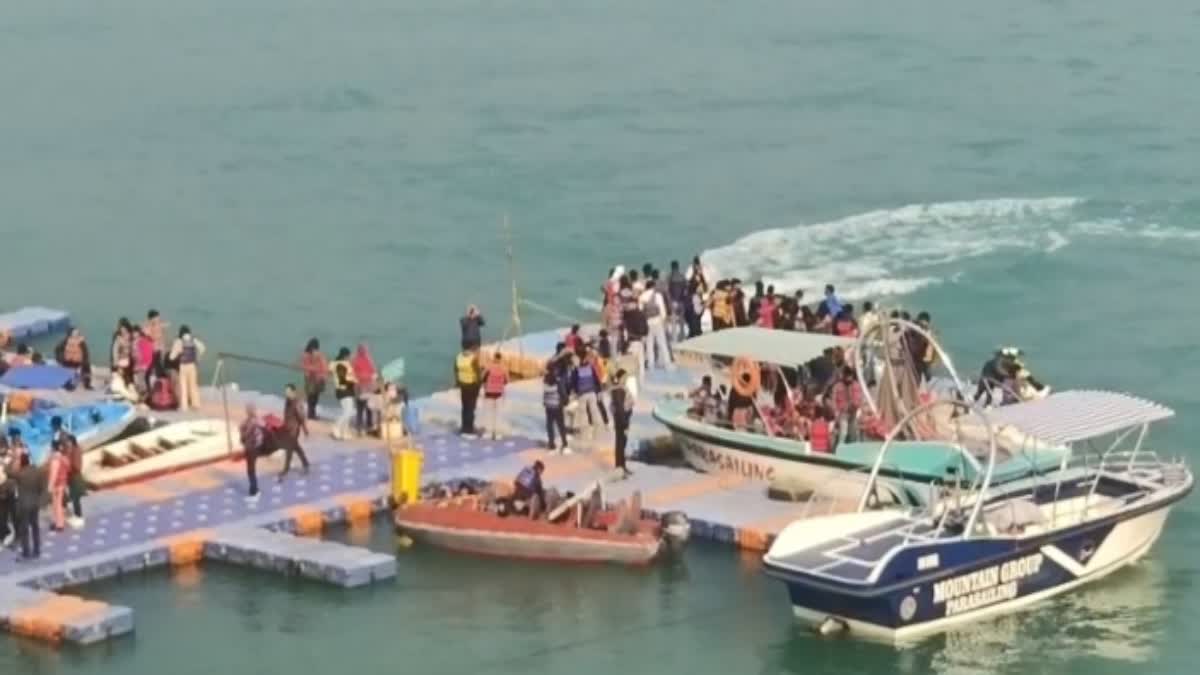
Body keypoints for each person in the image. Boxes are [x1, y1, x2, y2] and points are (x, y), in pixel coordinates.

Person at [13, 453, 44, 559]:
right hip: (35, 503)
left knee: (24, 529)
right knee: (35, 527)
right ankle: (37, 550)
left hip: (24, 505)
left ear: (21, 462)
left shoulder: (20, 474)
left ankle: (26, 551)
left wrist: (14, 462)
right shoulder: (36, 471)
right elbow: (41, 488)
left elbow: (8, 472)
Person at [168, 325, 206, 411]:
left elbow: (172, 357)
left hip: (183, 366)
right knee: (193, 385)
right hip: (192, 365)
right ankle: (196, 404)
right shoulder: (194, 340)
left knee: (183, 386)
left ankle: (184, 406)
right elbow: (203, 348)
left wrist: (174, 355)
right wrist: (198, 356)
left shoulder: (179, 341)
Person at [279, 384, 311, 480]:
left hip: (294, 430)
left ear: (293, 392)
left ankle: (286, 468)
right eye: (286, 391)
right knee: (296, 447)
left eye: (288, 391)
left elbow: (301, 418)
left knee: (289, 449)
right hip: (288, 428)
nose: (286, 393)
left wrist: (305, 430)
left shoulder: (297, 403)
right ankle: (306, 463)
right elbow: (287, 414)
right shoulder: (288, 401)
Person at [639, 278, 672, 370]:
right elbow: (663, 311)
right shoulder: (657, 296)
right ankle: (667, 364)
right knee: (662, 343)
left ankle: (651, 364)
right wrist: (663, 320)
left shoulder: (642, 296)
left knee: (649, 344)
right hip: (657, 321)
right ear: (653, 286)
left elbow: (640, 312)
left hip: (647, 322)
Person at [570, 352, 602, 440]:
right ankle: (597, 426)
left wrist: (575, 392)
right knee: (594, 410)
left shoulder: (576, 370)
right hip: (592, 392)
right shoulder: (591, 368)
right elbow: (596, 380)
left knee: (583, 412)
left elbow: (573, 383)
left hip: (582, 394)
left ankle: (585, 428)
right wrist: (598, 391)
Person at [610, 369, 634, 478]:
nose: (626, 379)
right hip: (621, 421)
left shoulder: (620, 389)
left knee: (622, 444)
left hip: (623, 419)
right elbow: (619, 408)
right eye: (624, 377)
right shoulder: (619, 390)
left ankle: (622, 466)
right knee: (620, 444)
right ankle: (620, 467)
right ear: (620, 378)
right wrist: (624, 423)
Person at [239, 403, 265, 502]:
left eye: (248, 410)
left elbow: (245, 433)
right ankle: (254, 490)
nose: (247, 412)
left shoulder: (252, 422)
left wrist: (243, 434)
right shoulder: (254, 421)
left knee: (251, 470)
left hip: (251, 448)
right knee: (251, 470)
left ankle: (254, 492)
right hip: (252, 447)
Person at [454, 346, 482, 436]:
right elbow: (477, 373)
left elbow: (456, 371)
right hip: (472, 385)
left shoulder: (458, 357)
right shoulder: (473, 359)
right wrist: (479, 385)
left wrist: (457, 382)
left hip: (462, 385)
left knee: (465, 406)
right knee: (471, 407)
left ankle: (464, 427)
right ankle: (470, 428)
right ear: (472, 349)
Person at [329, 347, 356, 440]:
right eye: (349, 355)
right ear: (345, 356)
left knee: (348, 410)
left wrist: (354, 380)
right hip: (344, 390)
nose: (350, 357)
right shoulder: (340, 365)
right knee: (348, 411)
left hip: (347, 390)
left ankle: (344, 432)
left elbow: (349, 376)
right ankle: (336, 427)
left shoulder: (341, 364)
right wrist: (353, 381)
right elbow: (342, 380)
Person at [351, 344, 377, 435]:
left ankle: (367, 425)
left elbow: (374, 373)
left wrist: (372, 379)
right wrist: (365, 377)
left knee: (368, 407)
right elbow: (353, 374)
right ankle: (360, 427)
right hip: (360, 387)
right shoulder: (355, 361)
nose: (365, 352)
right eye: (364, 350)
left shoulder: (368, 360)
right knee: (361, 408)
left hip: (368, 387)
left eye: (365, 350)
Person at [481, 353, 509, 440]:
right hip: (499, 393)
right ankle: (497, 433)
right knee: (498, 414)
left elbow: (482, 378)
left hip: (489, 393)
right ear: (501, 359)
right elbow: (507, 380)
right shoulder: (504, 368)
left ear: (494, 358)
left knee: (488, 414)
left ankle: (488, 432)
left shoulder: (488, 367)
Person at [542, 370, 570, 453]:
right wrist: (566, 402)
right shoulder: (558, 383)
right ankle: (564, 444)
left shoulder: (545, 384)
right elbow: (563, 394)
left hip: (549, 407)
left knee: (550, 426)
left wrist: (545, 403)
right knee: (561, 426)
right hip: (557, 407)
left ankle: (552, 444)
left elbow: (545, 395)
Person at [300, 338, 328, 420]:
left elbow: (304, 365)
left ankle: (311, 414)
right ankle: (312, 414)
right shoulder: (317, 354)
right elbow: (323, 365)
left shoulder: (305, 354)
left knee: (311, 396)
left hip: (309, 377)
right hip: (316, 378)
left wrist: (309, 370)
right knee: (314, 397)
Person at [47, 441, 70, 531]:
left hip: (56, 484)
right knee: (59, 504)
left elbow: (53, 474)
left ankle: (59, 524)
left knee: (57, 505)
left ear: (53, 448)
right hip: (62, 483)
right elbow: (68, 468)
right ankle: (59, 522)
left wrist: (50, 486)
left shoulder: (55, 459)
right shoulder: (63, 458)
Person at [143, 309, 168, 381]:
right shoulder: (149, 327)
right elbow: (148, 334)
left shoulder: (157, 325)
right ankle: (160, 382)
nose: (158, 321)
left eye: (159, 319)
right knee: (156, 368)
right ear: (151, 319)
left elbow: (163, 328)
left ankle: (162, 382)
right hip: (153, 350)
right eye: (156, 319)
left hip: (160, 349)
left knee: (159, 367)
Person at [0, 462, 15, 548]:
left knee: (2, 519)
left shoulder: (8, 482)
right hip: (4, 503)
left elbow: (8, 496)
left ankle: (3, 536)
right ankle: (5, 532)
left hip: (4, 504)